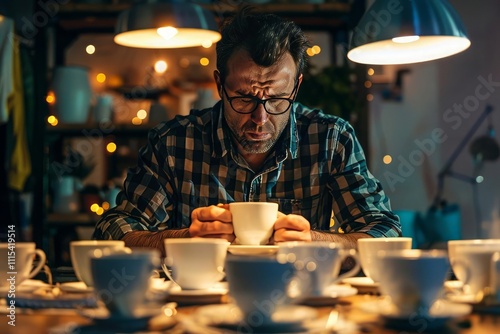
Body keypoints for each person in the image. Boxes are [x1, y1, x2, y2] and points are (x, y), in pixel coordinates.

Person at [93, 7, 401, 257]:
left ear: (297, 86)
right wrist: (183, 238)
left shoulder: (332, 139)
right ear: (219, 85)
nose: (260, 119)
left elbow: (385, 234)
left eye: (278, 99)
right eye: (244, 98)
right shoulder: (174, 143)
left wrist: (318, 240)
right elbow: (112, 230)